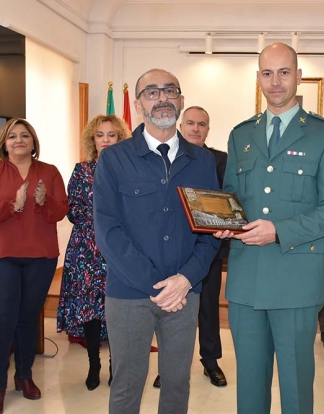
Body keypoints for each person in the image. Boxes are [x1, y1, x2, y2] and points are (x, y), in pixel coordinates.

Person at [216, 42, 324, 414]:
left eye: (284, 72)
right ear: (258, 77)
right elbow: (232, 197)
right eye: (267, 73)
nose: (275, 82)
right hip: (246, 279)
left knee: (294, 386)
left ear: (298, 76)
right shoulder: (241, 134)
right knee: (249, 386)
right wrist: (224, 223)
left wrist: (279, 230)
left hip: (295, 277)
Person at [94, 69, 221, 414]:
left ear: (180, 100)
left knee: (177, 384)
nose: (162, 98)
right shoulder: (113, 159)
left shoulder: (203, 162)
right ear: (138, 104)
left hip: (184, 293)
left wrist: (185, 280)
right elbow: (107, 231)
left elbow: (211, 232)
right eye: (152, 92)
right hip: (129, 295)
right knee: (127, 385)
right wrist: (158, 285)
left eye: (170, 91)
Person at [0, 118, 69, 414]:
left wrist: (44, 201)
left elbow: (62, 209)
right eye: (12, 136)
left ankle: (24, 377)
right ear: (4, 143)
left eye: (24, 135)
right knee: (2, 322)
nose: (18, 140)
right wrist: (10, 205)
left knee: (28, 319)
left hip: (40, 256)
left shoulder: (49, 172)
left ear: (33, 141)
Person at [153, 106, 229, 388]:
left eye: (202, 124)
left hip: (207, 248)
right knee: (171, 309)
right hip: (170, 248)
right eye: (191, 123)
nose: (196, 129)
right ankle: (168, 367)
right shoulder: (165, 156)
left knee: (208, 307)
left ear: (208, 129)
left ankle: (211, 362)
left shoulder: (220, 159)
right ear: (182, 126)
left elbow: (226, 200)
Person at [56, 114, 130, 391]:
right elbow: (73, 211)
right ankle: (93, 363)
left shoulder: (130, 170)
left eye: (112, 135)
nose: (106, 140)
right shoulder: (81, 170)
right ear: (93, 139)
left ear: (121, 139)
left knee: (116, 306)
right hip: (86, 248)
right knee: (90, 308)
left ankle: (115, 365)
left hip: (119, 247)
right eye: (100, 135)